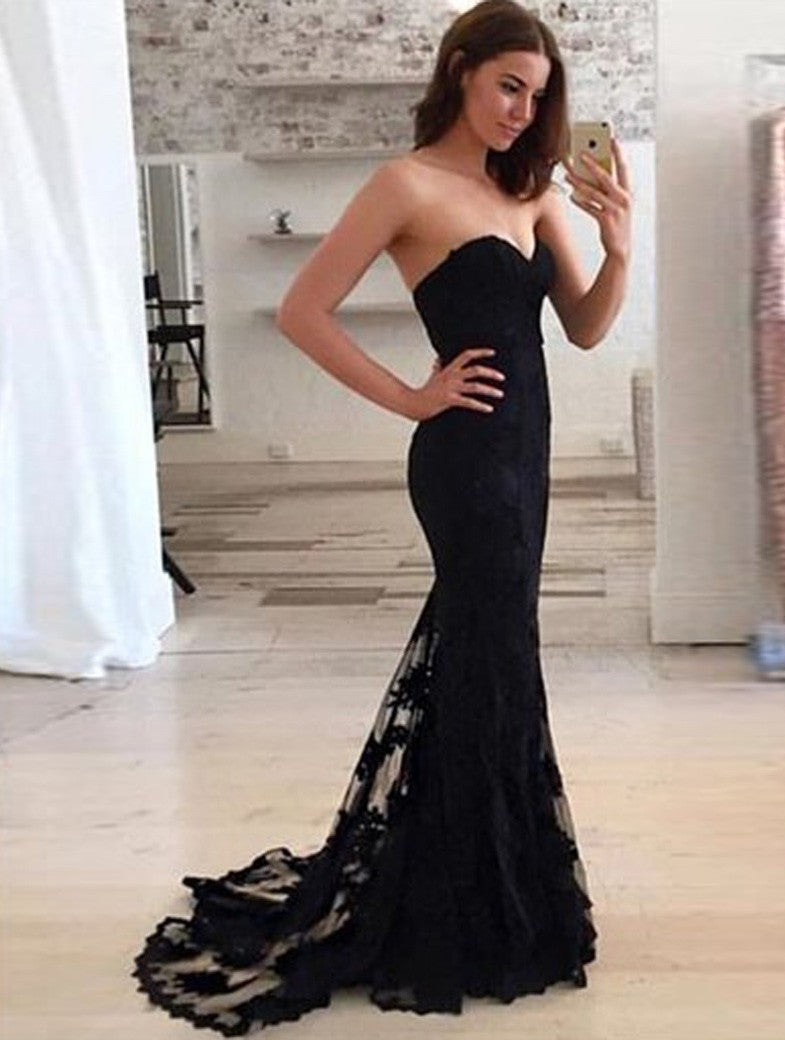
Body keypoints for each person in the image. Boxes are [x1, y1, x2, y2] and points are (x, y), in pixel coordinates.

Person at [132, 0, 632, 1033]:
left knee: (493, 654)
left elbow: (583, 328)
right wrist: (411, 397)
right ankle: (475, 898)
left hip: (525, 454)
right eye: (507, 85)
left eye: (536, 95)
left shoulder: (531, 193)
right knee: (489, 653)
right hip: (464, 461)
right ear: (460, 71)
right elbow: (301, 310)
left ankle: (480, 880)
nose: (520, 109)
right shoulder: (404, 185)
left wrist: (617, 244)